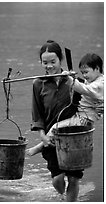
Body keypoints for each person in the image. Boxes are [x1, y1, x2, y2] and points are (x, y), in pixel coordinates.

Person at [28, 40, 85, 202]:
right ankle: (61, 196)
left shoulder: (74, 82)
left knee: (74, 178)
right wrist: (42, 136)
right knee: (58, 179)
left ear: (61, 60)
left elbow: (90, 102)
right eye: (45, 63)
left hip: (75, 139)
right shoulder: (38, 84)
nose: (49, 66)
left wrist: (76, 83)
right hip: (51, 140)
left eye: (53, 62)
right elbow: (37, 114)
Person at [27, 52, 104, 157]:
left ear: (97, 69)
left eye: (86, 72)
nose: (84, 76)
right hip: (81, 116)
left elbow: (84, 89)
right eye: (83, 73)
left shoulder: (99, 84)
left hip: (84, 118)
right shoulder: (38, 83)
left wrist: (69, 79)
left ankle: (41, 147)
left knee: (56, 127)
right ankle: (43, 146)